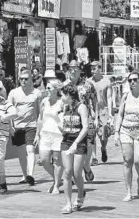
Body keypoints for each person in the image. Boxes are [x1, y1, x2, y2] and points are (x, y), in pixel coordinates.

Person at [114, 71, 139, 201]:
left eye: (135, 80)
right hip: (126, 130)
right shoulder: (125, 96)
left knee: (138, 160)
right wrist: (116, 132)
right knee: (127, 161)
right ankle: (129, 191)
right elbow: (120, 114)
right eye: (130, 80)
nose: (132, 82)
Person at [8, 69, 43, 186]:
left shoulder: (37, 93)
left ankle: (31, 175)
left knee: (30, 149)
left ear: (31, 80)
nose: (23, 81)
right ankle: (25, 175)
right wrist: (10, 126)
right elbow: (9, 110)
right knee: (21, 153)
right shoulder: (13, 93)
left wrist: (38, 131)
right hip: (17, 126)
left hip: (31, 126)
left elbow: (40, 113)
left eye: (26, 79)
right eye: (21, 79)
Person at [59, 84, 89, 214]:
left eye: (62, 95)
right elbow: (64, 127)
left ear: (69, 95)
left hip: (79, 142)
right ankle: (68, 204)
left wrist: (75, 143)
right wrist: (56, 122)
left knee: (77, 173)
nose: (61, 98)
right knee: (67, 172)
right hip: (66, 141)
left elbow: (85, 127)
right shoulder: (65, 108)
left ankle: (81, 193)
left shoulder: (81, 107)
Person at [35, 79, 64, 194]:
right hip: (45, 134)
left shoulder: (62, 102)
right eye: (46, 88)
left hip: (58, 134)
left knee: (57, 161)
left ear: (56, 89)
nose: (46, 90)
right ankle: (58, 179)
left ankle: (56, 185)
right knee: (44, 159)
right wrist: (37, 134)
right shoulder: (44, 101)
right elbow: (40, 119)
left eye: (49, 88)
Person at [89, 61, 114, 165]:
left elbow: (109, 98)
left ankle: (103, 147)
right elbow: (88, 98)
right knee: (92, 134)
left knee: (104, 134)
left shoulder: (106, 81)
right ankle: (94, 157)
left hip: (103, 111)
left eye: (94, 69)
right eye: (91, 69)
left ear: (99, 69)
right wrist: (90, 111)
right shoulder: (89, 82)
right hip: (92, 111)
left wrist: (110, 113)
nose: (92, 71)